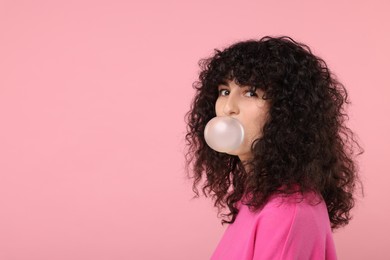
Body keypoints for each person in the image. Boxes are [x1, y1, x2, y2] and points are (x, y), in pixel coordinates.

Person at [183, 35, 364, 259]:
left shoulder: (285, 214)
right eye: (224, 91)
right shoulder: (256, 195)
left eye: (251, 93)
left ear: (287, 113)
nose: (228, 107)